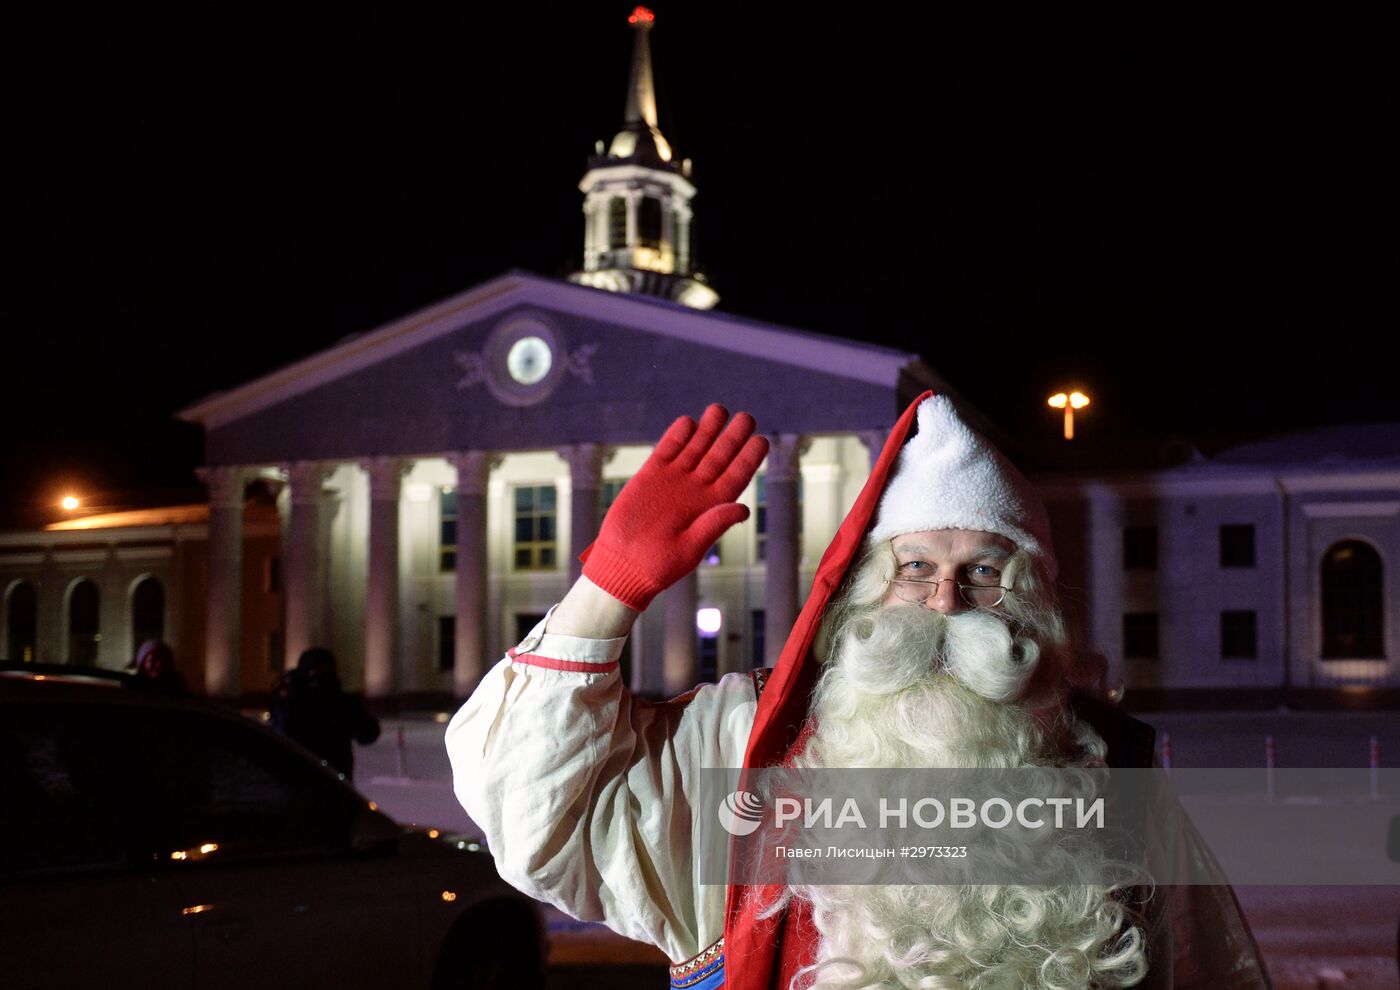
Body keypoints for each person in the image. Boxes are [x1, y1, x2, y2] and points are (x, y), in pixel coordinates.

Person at [447, 395, 1271, 989]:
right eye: (915, 568)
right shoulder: (747, 742)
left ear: (1030, 602)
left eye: (983, 571)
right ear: (866, 590)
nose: (945, 601)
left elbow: (1203, 970)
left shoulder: (1105, 764)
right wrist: (608, 590)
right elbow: (532, 815)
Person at [272, 647, 381, 779]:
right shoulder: (293, 701)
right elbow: (281, 733)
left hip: (333, 778)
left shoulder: (340, 703)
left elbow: (367, 734)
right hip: (301, 778)